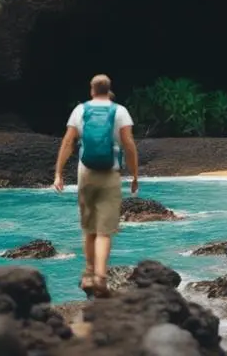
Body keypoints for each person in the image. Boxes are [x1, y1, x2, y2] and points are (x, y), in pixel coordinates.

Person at [53, 74, 139, 298]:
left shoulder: (80, 111)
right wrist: (135, 174)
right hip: (110, 173)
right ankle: (101, 277)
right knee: (104, 231)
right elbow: (129, 145)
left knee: (89, 228)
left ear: (92, 90)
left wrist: (58, 173)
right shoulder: (120, 111)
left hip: (86, 172)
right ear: (109, 89)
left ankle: (89, 273)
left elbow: (68, 142)